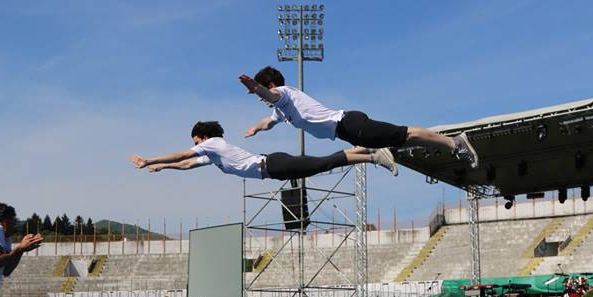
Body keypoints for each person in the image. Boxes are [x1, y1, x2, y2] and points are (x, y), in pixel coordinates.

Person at [238, 67, 479, 168]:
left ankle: (454, 142)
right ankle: (378, 153)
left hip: (348, 123)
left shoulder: (284, 94)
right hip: (346, 132)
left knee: (405, 134)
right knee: (403, 141)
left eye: (261, 90)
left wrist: (256, 88)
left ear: (269, 85)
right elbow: (268, 121)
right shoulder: (280, 110)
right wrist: (255, 129)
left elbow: (270, 95)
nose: (259, 97)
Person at [130, 121, 396, 181]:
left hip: (273, 165)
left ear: (203, 136)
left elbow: (181, 156)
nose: (195, 145)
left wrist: (149, 159)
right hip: (274, 169)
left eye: (195, 140)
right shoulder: (213, 155)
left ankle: (373, 156)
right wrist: (162, 167)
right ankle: (367, 150)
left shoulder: (212, 144)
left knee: (323, 164)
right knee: (321, 164)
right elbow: (186, 165)